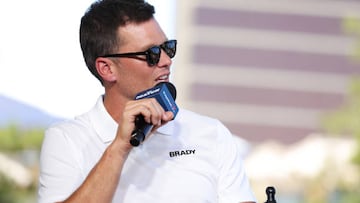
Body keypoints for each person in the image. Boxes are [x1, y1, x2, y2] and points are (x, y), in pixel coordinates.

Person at [38, 0, 257, 202]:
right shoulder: (67, 140)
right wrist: (120, 147)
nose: (167, 61)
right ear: (107, 68)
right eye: (150, 53)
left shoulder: (211, 133)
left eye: (167, 47)